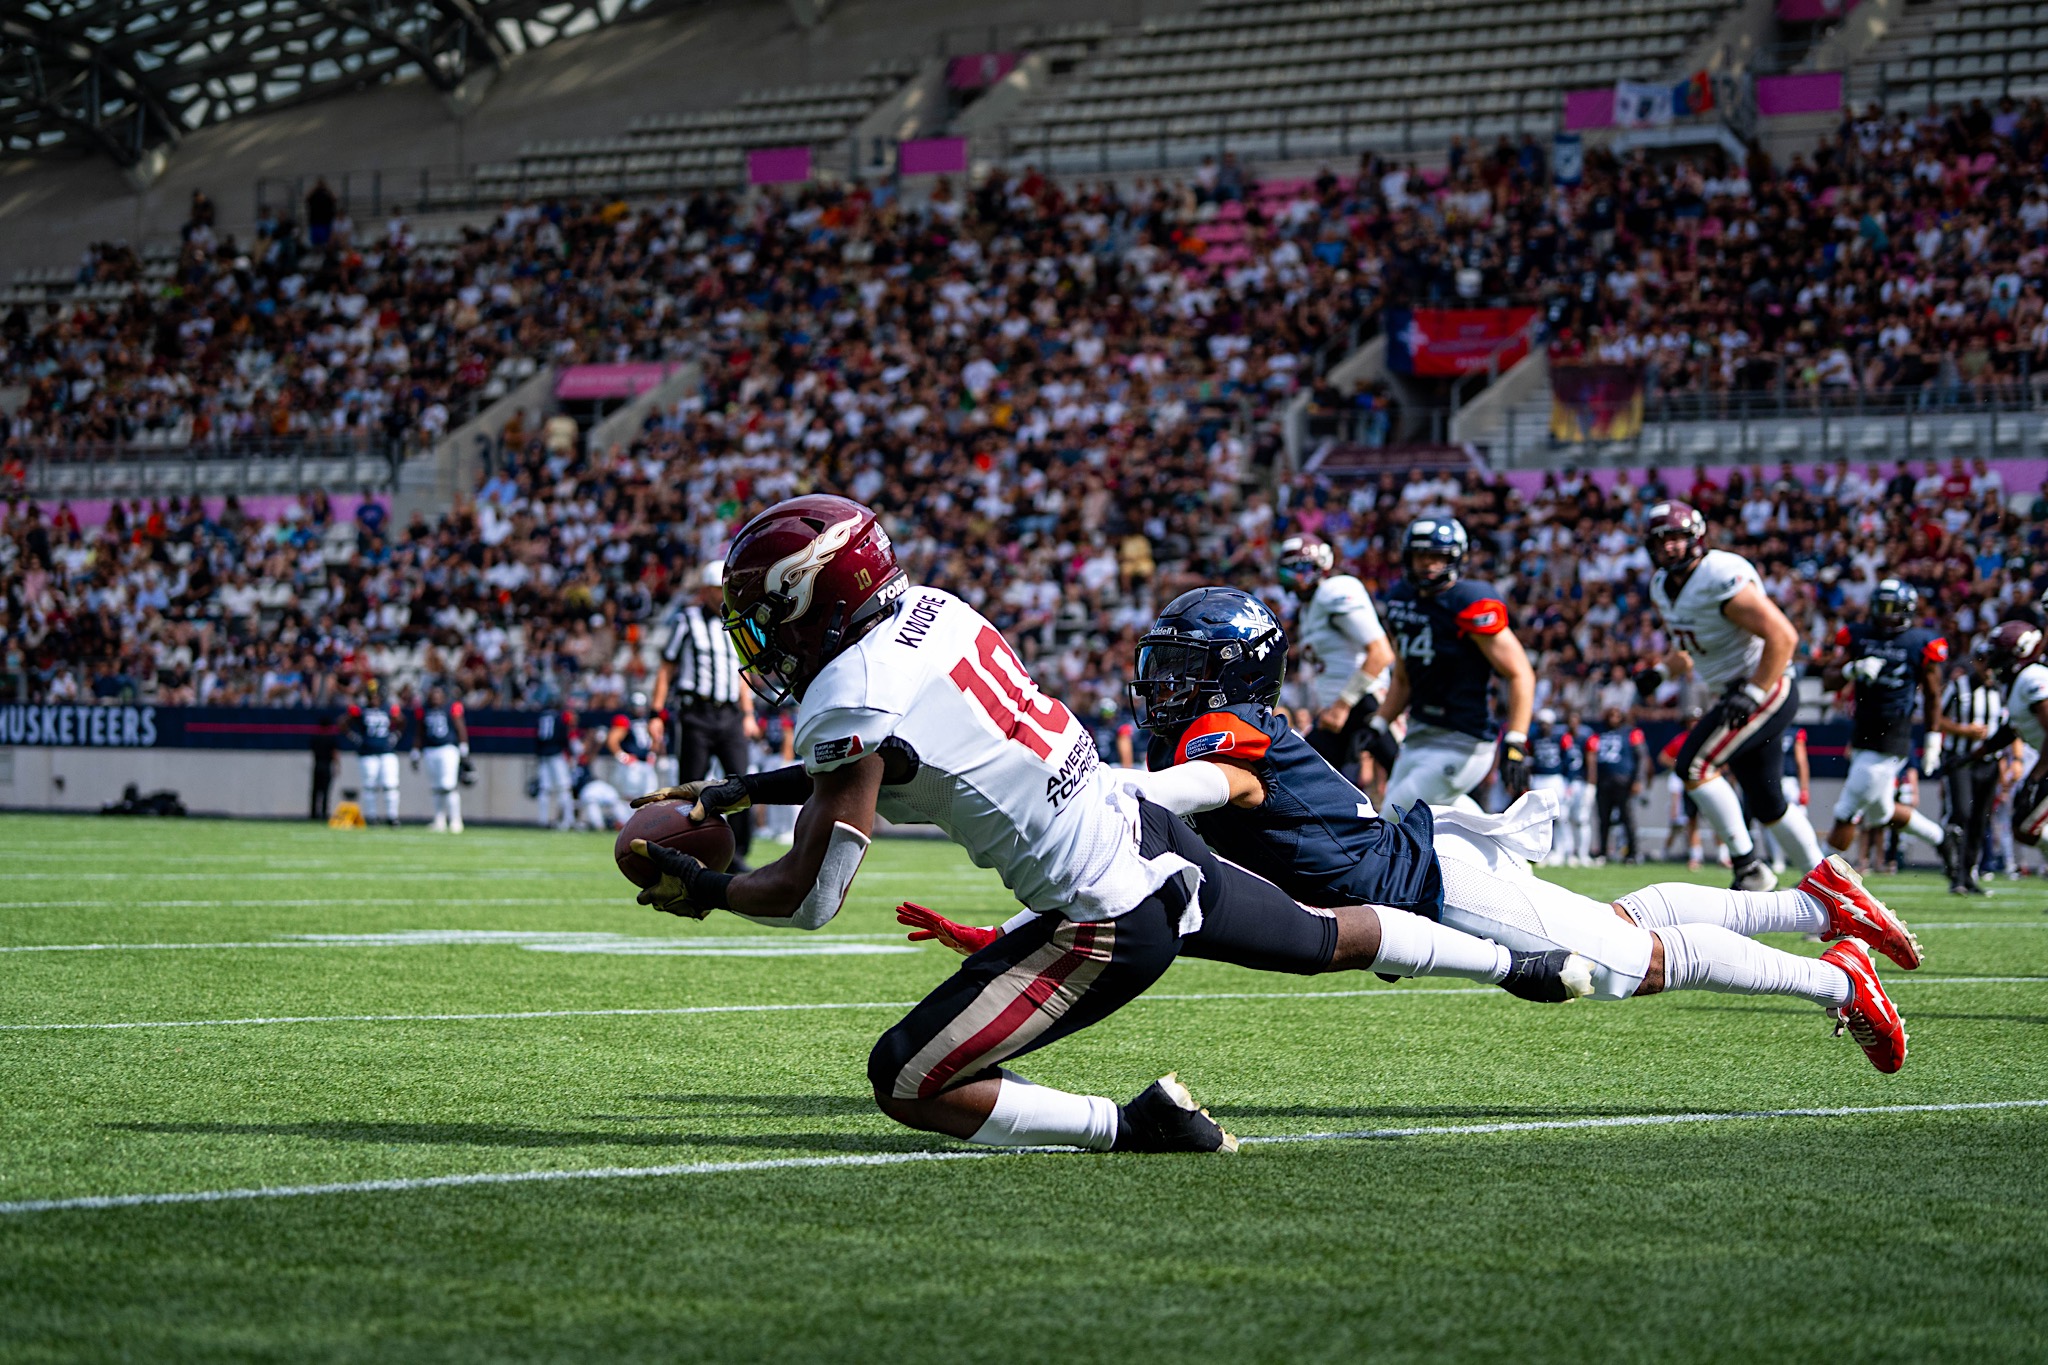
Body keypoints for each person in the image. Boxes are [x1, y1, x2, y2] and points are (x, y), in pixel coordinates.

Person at [626, 496, 1580, 1156]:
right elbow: (903, 763)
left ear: (810, 602)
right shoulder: (932, 613)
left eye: (760, 617)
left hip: (1106, 919)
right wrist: (744, 788)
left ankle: (1132, 1125)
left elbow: (812, 896)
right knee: (1328, 936)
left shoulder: (845, 697)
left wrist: (703, 888)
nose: (753, 640)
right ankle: (1520, 966)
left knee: (906, 1078)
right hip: (1148, 833)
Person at [919, 586, 1914, 1074]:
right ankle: (1805, 897)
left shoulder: (1230, 736)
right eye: (1158, 668)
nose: (1159, 688)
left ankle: (1835, 976)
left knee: (1628, 964)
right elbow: (1142, 867)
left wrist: (1076, 784)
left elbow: (1180, 798)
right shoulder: (1228, 727)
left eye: (1179, 671)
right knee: (1613, 928)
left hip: (1431, 888)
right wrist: (1022, 934)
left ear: (1232, 675)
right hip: (1424, 872)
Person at [1637, 501, 1827, 889]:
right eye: (1661, 540)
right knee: (1768, 804)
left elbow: (1783, 636)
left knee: (1693, 766)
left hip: (1764, 685)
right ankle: (1831, 888)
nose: (1669, 547)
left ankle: (1749, 868)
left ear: (1696, 539)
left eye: (1676, 538)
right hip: (1735, 691)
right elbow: (1692, 647)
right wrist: (1659, 673)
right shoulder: (1661, 586)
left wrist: (1755, 691)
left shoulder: (1718, 575)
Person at [1371, 518, 1535, 813]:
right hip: (1418, 733)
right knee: (1439, 815)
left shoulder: (1468, 601)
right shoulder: (1401, 599)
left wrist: (1516, 739)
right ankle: (1504, 855)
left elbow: (1520, 672)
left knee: (1393, 817)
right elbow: (1404, 678)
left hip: (1464, 740)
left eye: (1438, 556)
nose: (1429, 565)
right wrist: (1379, 722)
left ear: (1456, 558)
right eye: (1422, 556)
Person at [1819, 579, 1964, 879]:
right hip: (1862, 729)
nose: (1885, 615)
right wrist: (1851, 669)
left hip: (1894, 730)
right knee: (1881, 811)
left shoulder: (1920, 641)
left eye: (1892, 609)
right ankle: (1942, 838)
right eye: (1881, 608)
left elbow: (1933, 694)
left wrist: (1933, 738)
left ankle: (1820, 874)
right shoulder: (1858, 635)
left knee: (1849, 804)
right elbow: (1828, 680)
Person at [654, 562, 758, 869]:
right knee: (690, 787)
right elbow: (666, 667)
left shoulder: (736, 623)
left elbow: (742, 673)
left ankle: (736, 855)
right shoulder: (686, 620)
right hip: (695, 714)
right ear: (705, 591)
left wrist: (748, 712)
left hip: (730, 716)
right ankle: (689, 850)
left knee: (744, 784)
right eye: (717, 589)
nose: (722, 595)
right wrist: (655, 713)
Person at [1277, 533, 1395, 777]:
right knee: (1305, 776)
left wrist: (1342, 705)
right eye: (1290, 571)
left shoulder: (1334, 590)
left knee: (1407, 781)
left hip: (1364, 704)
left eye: (1303, 568)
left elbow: (1381, 653)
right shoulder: (1309, 607)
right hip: (1339, 710)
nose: (1297, 578)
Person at [1932, 638, 2009, 894]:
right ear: (1976, 661)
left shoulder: (2001, 690)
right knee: (1962, 813)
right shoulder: (1959, 686)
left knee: (1980, 820)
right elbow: (1937, 718)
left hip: (1990, 763)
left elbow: (2011, 728)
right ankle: (1954, 871)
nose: (1989, 668)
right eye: (1985, 661)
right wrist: (1963, 730)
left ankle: (1968, 875)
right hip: (1961, 760)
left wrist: (2014, 760)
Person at [1590, 705, 1645, 864]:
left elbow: (1641, 757)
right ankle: (1603, 852)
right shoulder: (1600, 734)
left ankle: (1633, 853)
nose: (1613, 718)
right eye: (1610, 715)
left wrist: (1637, 780)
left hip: (1623, 781)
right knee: (1603, 819)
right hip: (1604, 781)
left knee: (1627, 819)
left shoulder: (1631, 732)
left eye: (1616, 715)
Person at [343, 681, 403, 826]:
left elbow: (402, 722)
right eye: (371, 696)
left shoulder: (388, 709)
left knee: (390, 784)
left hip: (386, 752)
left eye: (376, 696)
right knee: (369, 786)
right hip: (367, 753)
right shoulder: (361, 710)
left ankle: (392, 816)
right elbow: (343, 723)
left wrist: (395, 735)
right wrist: (355, 738)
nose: (374, 699)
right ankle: (371, 816)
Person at [410, 685, 469, 833]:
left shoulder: (451, 708)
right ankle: (439, 820)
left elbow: (460, 727)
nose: (435, 698)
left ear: (443, 696)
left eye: (438, 694)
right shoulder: (424, 710)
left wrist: (463, 747)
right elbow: (420, 731)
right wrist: (416, 750)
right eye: (432, 694)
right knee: (436, 787)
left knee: (448, 785)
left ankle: (456, 820)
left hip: (447, 749)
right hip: (430, 749)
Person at [605, 692, 662, 802]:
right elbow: (612, 740)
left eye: (642, 706)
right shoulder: (625, 720)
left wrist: (652, 754)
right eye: (637, 706)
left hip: (646, 764)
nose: (640, 709)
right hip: (633, 766)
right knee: (632, 798)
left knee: (651, 797)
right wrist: (623, 757)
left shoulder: (648, 720)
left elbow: (656, 738)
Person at [534, 703, 577, 830]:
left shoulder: (541, 717)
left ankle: (543, 820)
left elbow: (537, 737)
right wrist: (570, 753)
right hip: (556, 755)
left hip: (543, 755)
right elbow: (563, 736)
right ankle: (568, 820)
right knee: (564, 788)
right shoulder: (559, 717)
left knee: (544, 789)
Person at [310, 710, 338, 821]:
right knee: (326, 791)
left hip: (317, 765)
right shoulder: (331, 738)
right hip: (327, 765)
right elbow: (335, 753)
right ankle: (324, 812)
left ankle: (313, 813)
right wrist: (337, 766)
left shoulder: (315, 738)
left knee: (315, 790)